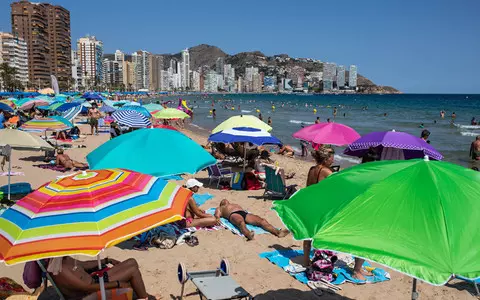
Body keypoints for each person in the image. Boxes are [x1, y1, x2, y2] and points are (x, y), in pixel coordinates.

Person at [47, 256, 156, 300]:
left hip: (95, 281)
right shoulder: (60, 270)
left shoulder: (62, 259)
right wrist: (117, 284)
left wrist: (106, 260)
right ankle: (143, 298)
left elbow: (84, 265)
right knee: (132, 271)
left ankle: (142, 295)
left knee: (132, 262)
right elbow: (87, 287)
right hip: (89, 293)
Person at [303, 147, 334, 268]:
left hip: (309, 203)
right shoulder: (326, 171)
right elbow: (337, 186)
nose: (333, 160)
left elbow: (308, 187)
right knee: (321, 234)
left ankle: (306, 261)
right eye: (332, 158)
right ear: (326, 159)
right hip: (320, 206)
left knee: (308, 235)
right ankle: (320, 261)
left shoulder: (312, 169)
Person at [214, 199, 289, 240]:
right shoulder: (220, 208)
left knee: (262, 221)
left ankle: (277, 232)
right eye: (222, 201)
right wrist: (217, 218)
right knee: (241, 223)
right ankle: (248, 234)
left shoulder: (234, 204)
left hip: (244, 213)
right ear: (221, 204)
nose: (224, 199)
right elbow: (217, 215)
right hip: (233, 215)